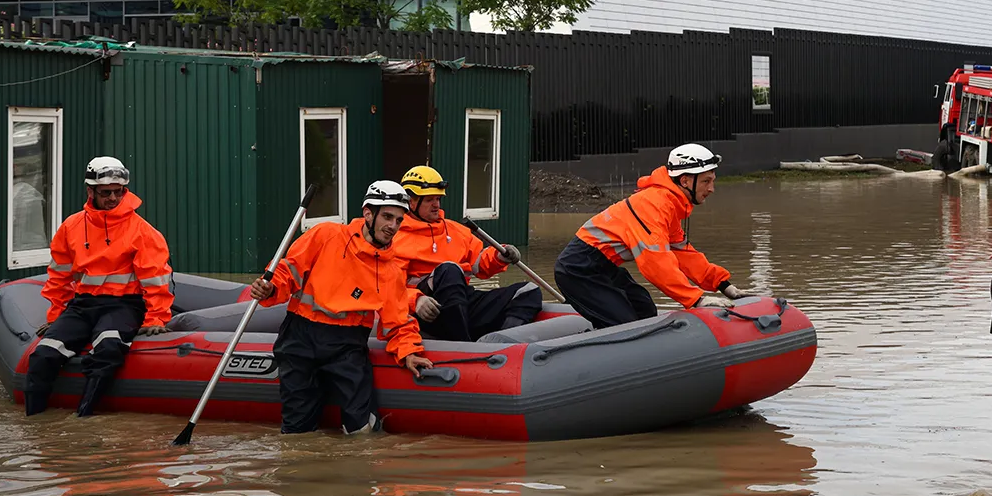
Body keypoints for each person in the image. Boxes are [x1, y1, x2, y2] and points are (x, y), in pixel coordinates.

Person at [249, 181, 432, 434]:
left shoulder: (391, 270)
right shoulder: (326, 235)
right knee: (296, 430)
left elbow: (398, 320)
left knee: (362, 429)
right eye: (387, 217)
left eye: (399, 220)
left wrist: (409, 351)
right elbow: (287, 272)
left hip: (347, 345)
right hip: (300, 337)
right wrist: (270, 288)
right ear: (368, 213)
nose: (393, 226)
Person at [29, 157, 173, 417]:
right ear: (90, 191)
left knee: (107, 349)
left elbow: (156, 280)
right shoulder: (71, 227)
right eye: (106, 193)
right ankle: (35, 424)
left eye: (119, 192)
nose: (113, 198)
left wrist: (155, 319)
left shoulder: (142, 231)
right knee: (43, 355)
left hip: (124, 304)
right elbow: (59, 278)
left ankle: (83, 420)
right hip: (82, 305)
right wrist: (56, 316)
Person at [554, 143, 744, 329]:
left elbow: (684, 254)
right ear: (685, 181)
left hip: (602, 266)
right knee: (624, 326)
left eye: (712, 181)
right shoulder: (654, 205)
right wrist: (696, 299)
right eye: (706, 181)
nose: (711, 189)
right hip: (577, 269)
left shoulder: (670, 205)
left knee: (643, 308)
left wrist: (723, 285)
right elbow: (655, 263)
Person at [394, 165, 541, 341]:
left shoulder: (456, 231)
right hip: (424, 309)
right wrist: (415, 300)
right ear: (411, 201)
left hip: (459, 301)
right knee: (449, 270)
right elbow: (388, 288)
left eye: (438, 199)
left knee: (528, 291)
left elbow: (479, 264)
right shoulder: (394, 237)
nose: (436, 205)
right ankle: (465, 345)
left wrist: (499, 256)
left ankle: (503, 344)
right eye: (429, 200)